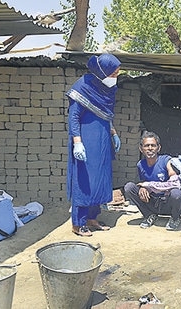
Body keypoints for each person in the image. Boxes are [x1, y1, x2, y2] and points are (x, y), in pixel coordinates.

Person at [65, 53, 122, 237]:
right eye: (113, 74)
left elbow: (107, 114)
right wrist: (77, 143)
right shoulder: (83, 86)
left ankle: (92, 219)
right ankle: (78, 223)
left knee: (100, 180)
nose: (116, 77)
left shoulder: (106, 90)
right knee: (85, 181)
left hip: (103, 142)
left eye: (117, 73)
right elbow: (73, 116)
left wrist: (113, 133)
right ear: (102, 72)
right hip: (86, 141)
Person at [123, 131, 181, 231]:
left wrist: (149, 185)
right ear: (141, 149)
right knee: (129, 187)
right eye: (146, 146)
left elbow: (175, 183)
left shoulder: (166, 161)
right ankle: (149, 215)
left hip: (167, 203)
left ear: (158, 148)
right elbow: (143, 182)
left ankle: (175, 218)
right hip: (153, 203)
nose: (150, 148)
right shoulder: (141, 165)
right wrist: (143, 188)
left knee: (176, 193)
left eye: (153, 145)